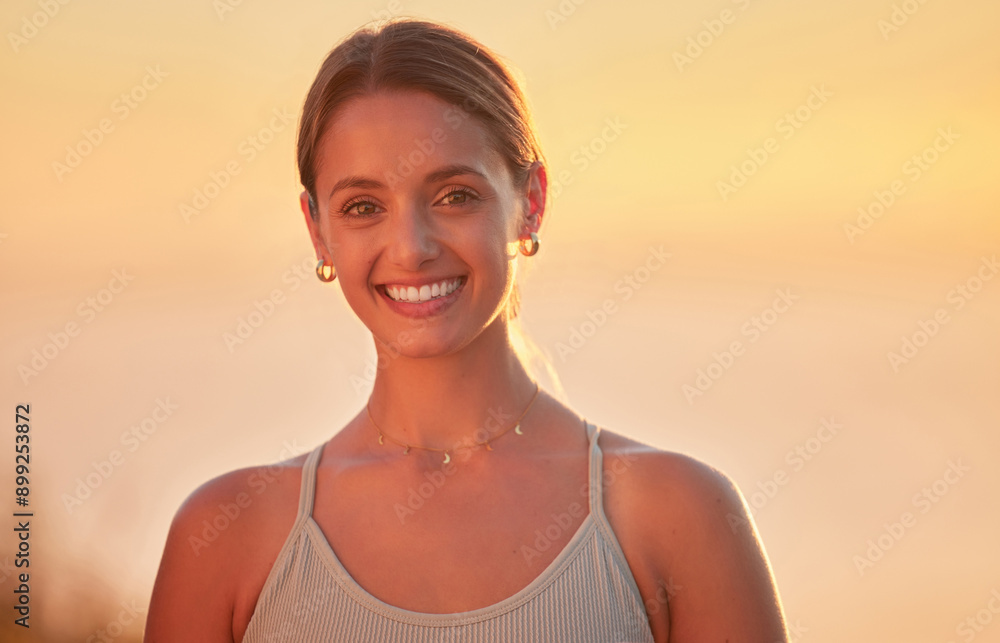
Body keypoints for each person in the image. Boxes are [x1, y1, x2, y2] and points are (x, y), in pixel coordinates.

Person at [145, 18, 790, 643]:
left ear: (530, 200)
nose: (412, 248)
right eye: (363, 207)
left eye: (454, 195)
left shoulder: (680, 517)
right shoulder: (227, 538)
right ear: (319, 231)